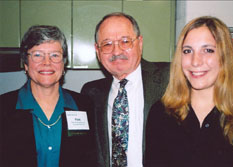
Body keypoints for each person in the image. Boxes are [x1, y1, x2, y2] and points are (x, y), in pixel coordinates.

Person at [145, 16, 233, 167]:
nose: (195, 61)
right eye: (187, 51)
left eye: (208, 50)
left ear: (225, 57)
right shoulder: (161, 113)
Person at [81, 12, 170, 167]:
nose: (116, 51)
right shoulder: (91, 93)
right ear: (97, 50)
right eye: (107, 44)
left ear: (140, 43)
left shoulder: (170, 79)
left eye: (125, 41)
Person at [0, 25, 97, 167]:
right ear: (26, 64)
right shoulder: (3, 107)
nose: (47, 62)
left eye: (55, 55)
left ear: (64, 64)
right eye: (37, 55)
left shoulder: (85, 105)